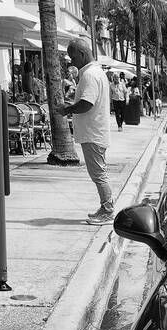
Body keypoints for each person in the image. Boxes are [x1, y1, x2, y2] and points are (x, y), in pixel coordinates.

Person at [57, 40, 113, 225]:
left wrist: (67, 109)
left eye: (73, 57)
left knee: (98, 173)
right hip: (96, 131)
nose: (72, 62)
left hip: (93, 132)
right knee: (98, 172)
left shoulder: (89, 75)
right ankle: (105, 207)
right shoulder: (97, 73)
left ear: (82, 53)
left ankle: (107, 210)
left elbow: (87, 103)